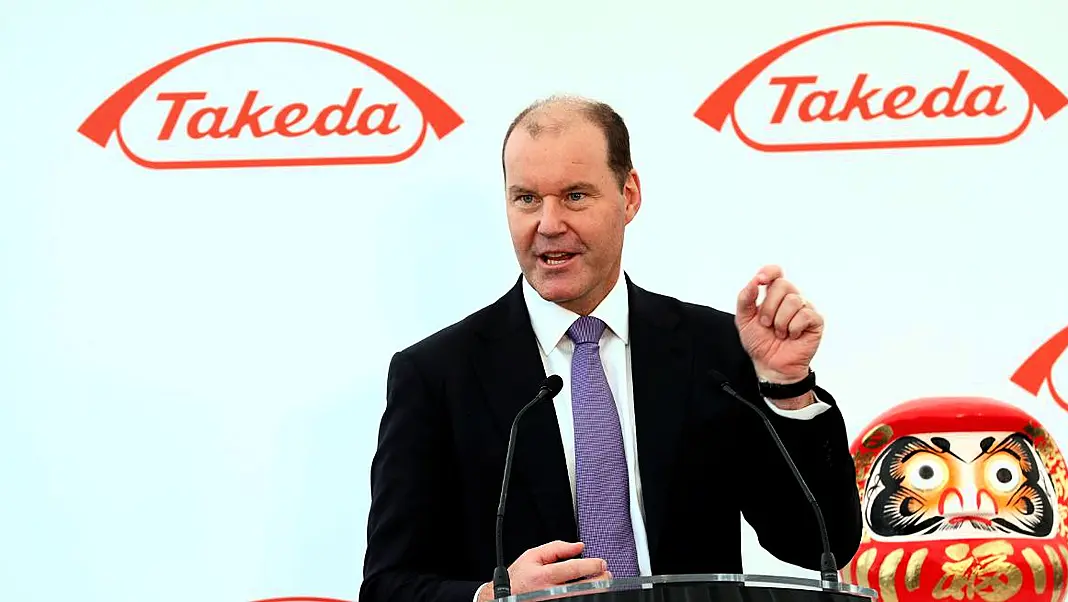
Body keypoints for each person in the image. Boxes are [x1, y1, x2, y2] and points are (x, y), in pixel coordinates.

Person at [358, 96, 862, 602]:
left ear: (630, 195)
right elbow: (387, 586)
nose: (549, 224)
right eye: (527, 199)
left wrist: (788, 389)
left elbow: (820, 545)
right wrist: (495, 597)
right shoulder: (436, 375)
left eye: (575, 196)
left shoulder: (712, 351)